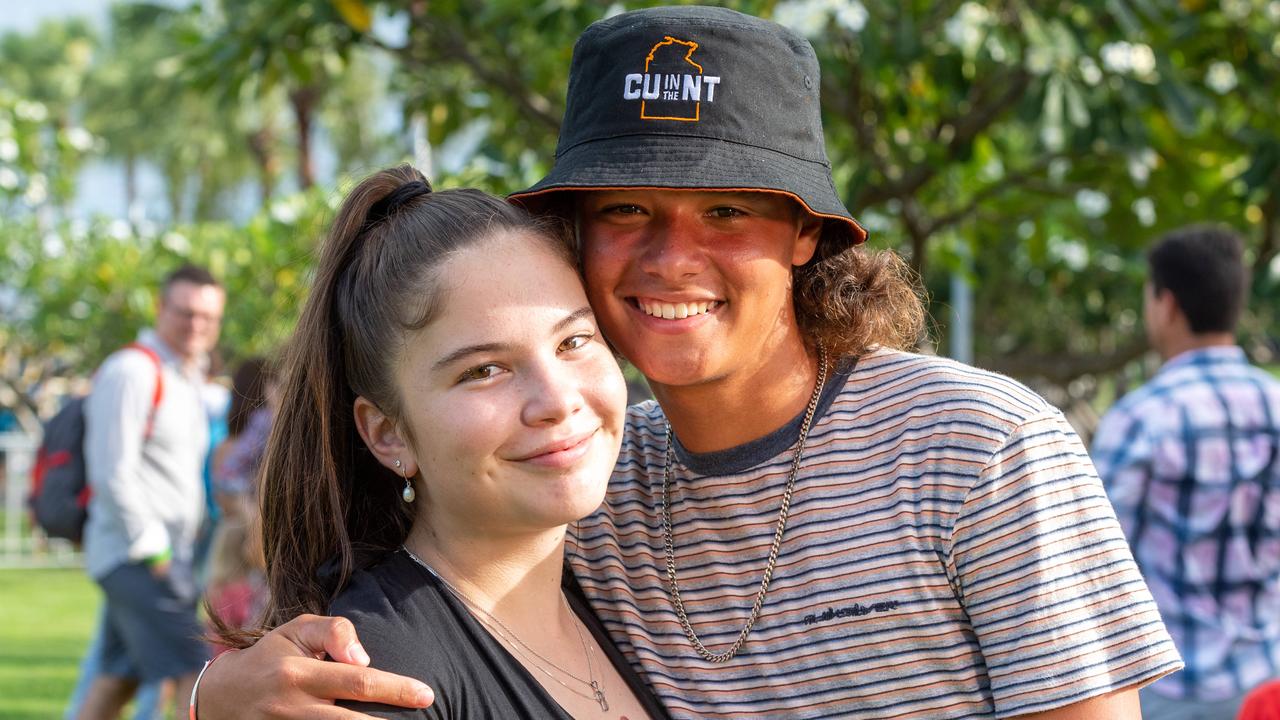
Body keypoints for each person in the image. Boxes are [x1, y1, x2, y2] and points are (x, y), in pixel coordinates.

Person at [196, 7, 1182, 719]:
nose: (672, 260)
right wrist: (214, 695)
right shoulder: (589, 490)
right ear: (575, 237)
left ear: (804, 234)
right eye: (626, 212)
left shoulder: (974, 446)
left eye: (725, 212)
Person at [214, 167, 668, 719]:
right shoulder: (377, 675)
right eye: (484, 371)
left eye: (574, 339)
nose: (556, 399)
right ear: (389, 433)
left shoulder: (623, 603)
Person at [1092, 225, 1280, 719]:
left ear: (1167, 303)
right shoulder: (1276, 405)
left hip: (1171, 690)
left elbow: (1096, 566)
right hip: (1267, 681)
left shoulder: (1141, 419)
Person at [79, 264, 223, 720]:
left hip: (160, 556)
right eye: (185, 313)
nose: (196, 325)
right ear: (161, 307)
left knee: (117, 678)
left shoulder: (187, 377)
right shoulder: (133, 371)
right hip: (138, 557)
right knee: (197, 672)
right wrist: (158, 556)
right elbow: (111, 473)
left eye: (207, 317)